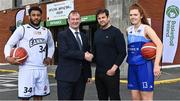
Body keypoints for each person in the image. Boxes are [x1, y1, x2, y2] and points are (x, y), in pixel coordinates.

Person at [4, 6, 55, 100]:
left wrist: (49, 57)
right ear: (29, 17)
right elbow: (9, 44)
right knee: (25, 97)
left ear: (41, 17)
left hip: (41, 68)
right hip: (27, 68)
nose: (36, 17)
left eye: (38, 15)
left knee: (39, 96)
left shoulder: (46, 31)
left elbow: (51, 45)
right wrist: (8, 58)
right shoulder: (22, 29)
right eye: (33, 15)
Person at [126, 3, 163, 100]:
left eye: (135, 15)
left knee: (146, 98)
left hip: (144, 67)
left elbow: (159, 45)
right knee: (135, 98)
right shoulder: (128, 30)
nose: (132, 17)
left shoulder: (146, 29)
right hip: (132, 67)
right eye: (131, 15)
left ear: (141, 16)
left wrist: (156, 65)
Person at [55, 10, 93, 100]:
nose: (75, 21)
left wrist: (88, 74)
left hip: (80, 78)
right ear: (68, 21)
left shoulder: (84, 36)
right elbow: (64, 52)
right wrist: (83, 55)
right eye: (73, 19)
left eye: (77, 19)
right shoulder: (62, 35)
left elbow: (87, 55)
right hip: (65, 77)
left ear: (80, 20)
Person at [93, 9, 126, 100]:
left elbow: (122, 52)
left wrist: (113, 69)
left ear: (108, 18)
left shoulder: (116, 32)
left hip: (112, 73)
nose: (101, 20)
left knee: (114, 97)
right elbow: (95, 53)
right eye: (99, 18)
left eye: (103, 17)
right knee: (101, 98)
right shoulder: (96, 33)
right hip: (99, 73)